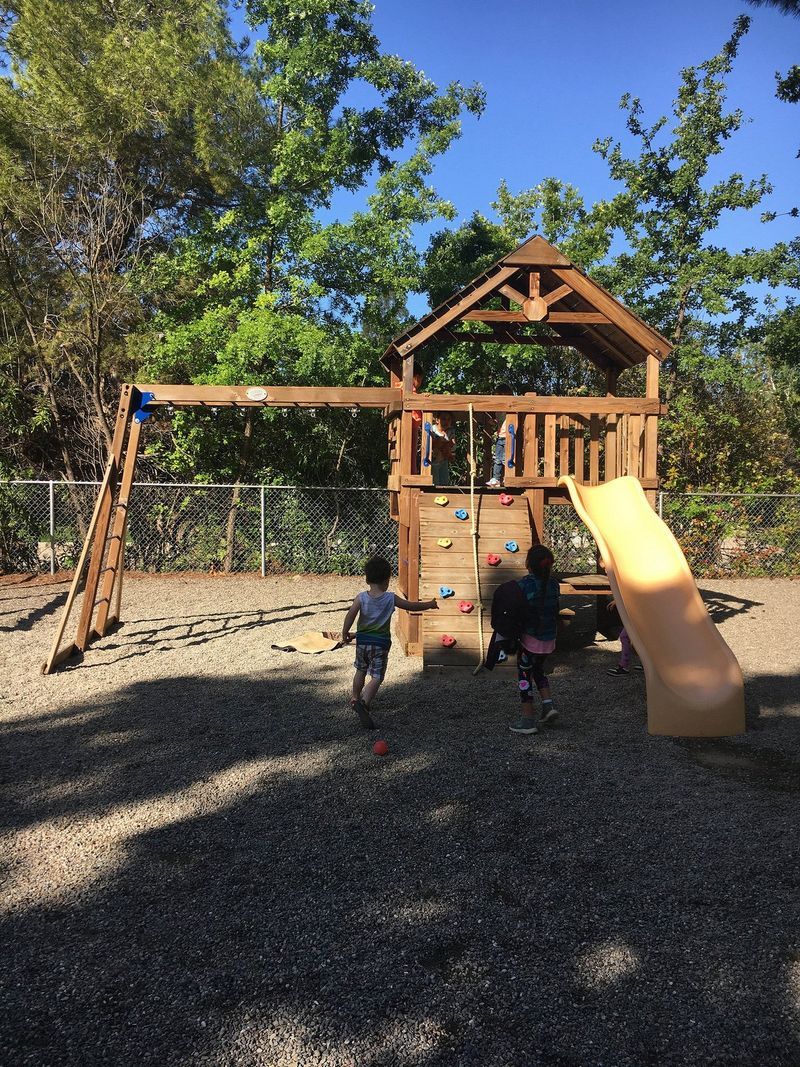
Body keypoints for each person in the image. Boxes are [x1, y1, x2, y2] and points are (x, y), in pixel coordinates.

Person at [342, 555, 438, 728]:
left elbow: (350, 615)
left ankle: (355, 698)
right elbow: (411, 606)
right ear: (386, 581)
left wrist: (345, 633)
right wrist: (429, 604)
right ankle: (364, 702)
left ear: (367, 579)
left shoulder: (361, 598)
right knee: (377, 676)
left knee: (360, 670)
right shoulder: (390, 598)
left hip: (362, 643)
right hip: (380, 645)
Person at [510, 544, 560, 735]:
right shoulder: (554, 584)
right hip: (549, 641)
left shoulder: (524, 584)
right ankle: (548, 706)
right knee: (538, 670)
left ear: (528, 564)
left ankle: (527, 719)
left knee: (524, 676)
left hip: (530, 641)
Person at [606, 599, 644, 676]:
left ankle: (624, 666)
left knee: (625, 636)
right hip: (642, 610)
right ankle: (646, 664)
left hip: (639, 612)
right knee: (642, 638)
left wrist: (618, 600)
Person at [486, 384, 514, 488]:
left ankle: (507, 477)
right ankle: (496, 479)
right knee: (497, 458)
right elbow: (500, 421)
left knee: (507, 459)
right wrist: (493, 422)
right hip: (500, 436)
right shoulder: (498, 410)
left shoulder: (511, 408)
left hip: (509, 437)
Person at [430, 412, 455, 485]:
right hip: (433, 460)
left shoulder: (450, 432)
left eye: (449, 420)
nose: (446, 422)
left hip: (444, 460)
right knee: (435, 482)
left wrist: (450, 448)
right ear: (437, 420)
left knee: (444, 482)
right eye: (443, 419)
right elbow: (431, 443)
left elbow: (452, 445)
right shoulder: (433, 429)